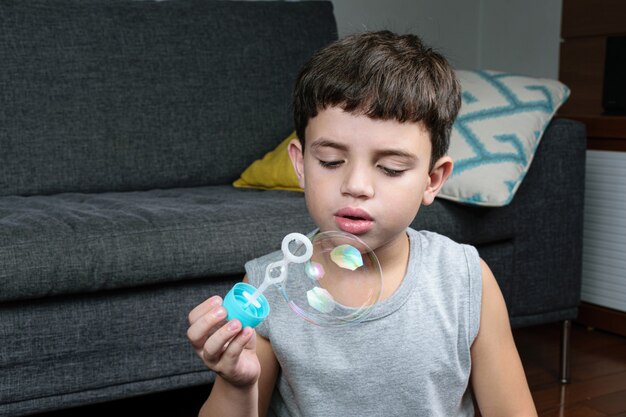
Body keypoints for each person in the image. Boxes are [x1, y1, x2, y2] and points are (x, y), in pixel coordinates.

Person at [187, 30, 537, 417]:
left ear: (432, 180)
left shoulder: (465, 280)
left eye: (391, 168)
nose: (355, 186)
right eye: (332, 162)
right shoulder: (268, 287)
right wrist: (238, 384)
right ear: (301, 164)